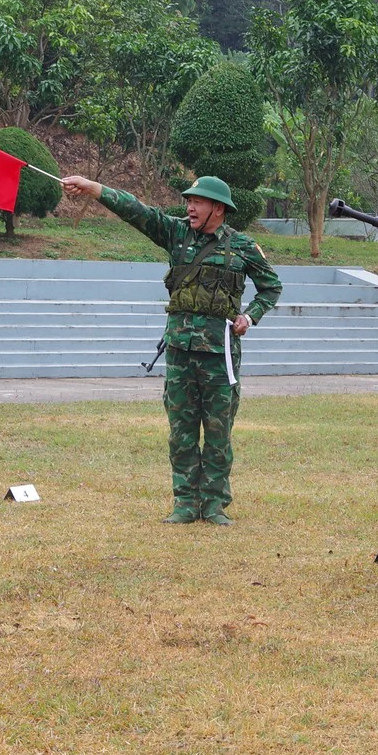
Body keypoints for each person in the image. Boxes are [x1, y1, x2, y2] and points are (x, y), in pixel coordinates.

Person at [59, 173, 282, 525]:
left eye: (198, 202)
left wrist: (249, 317)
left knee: (219, 432)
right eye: (189, 200)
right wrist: (92, 187)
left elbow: (271, 287)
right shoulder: (176, 234)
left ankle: (212, 505)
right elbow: (137, 210)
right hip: (179, 350)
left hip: (219, 354)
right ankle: (184, 503)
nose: (190, 206)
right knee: (181, 431)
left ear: (219, 209)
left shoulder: (242, 246)